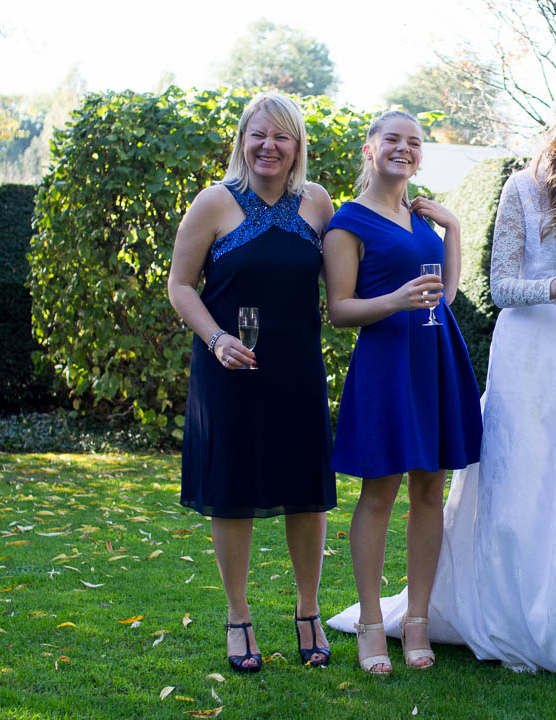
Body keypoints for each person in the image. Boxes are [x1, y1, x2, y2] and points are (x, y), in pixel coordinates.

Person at [330, 74, 556, 689]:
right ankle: (504, 609)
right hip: (533, 355)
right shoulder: (523, 187)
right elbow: (500, 287)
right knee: (525, 481)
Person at [168, 91, 337, 672]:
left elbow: (352, 266)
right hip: (230, 370)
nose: (269, 146)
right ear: (243, 140)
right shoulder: (213, 202)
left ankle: (308, 611)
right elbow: (181, 286)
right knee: (233, 492)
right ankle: (239, 617)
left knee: (306, 492)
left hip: (297, 369)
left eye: (281, 136)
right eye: (258, 135)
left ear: (297, 146)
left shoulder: (317, 203)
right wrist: (216, 339)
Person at [321, 110, 482, 675]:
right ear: (370, 149)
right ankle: (370, 622)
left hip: (435, 357)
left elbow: (447, 294)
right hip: (387, 364)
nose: (404, 149)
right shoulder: (347, 222)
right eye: (393, 139)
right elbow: (338, 310)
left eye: (414, 142)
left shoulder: (422, 216)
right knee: (379, 493)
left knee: (430, 491)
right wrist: (394, 300)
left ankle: (417, 620)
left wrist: (454, 229)